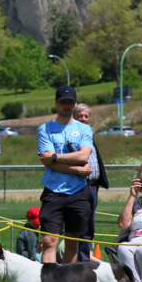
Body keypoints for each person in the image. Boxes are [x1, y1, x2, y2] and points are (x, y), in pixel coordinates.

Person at [37, 86, 95, 264]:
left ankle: (65, 280)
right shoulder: (45, 129)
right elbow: (46, 162)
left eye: (70, 102)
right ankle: (48, 280)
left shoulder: (85, 129)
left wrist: (55, 156)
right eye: (63, 102)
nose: (66, 105)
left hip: (78, 192)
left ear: (75, 104)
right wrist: (77, 169)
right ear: (56, 103)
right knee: (49, 241)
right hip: (53, 191)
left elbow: (83, 156)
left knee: (72, 243)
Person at [73, 103, 108, 262]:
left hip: (92, 187)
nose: (84, 119)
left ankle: (85, 262)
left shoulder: (88, 134)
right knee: (77, 225)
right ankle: (74, 261)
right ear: (73, 116)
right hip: (78, 187)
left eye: (86, 116)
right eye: (80, 115)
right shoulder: (70, 135)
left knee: (89, 227)